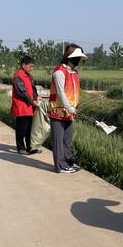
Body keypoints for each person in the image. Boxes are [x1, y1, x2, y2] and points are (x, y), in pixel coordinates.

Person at [48, 43, 87, 173]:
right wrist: (69, 107)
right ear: (70, 57)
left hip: (69, 112)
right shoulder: (59, 72)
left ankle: (68, 163)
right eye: (78, 58)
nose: (79, 61)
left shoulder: (74, 72)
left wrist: (76, 105)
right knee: (58, 140)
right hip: (58, 110)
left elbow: (75, 91)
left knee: (67, 140)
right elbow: (61, 92)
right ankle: (59, 166)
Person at [10, 55, 40, 154]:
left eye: (32, 66)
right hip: (21, 107)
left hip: (29, 106)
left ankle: (30, 147)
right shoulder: (18, 76)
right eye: (30, 66)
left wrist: (36, 97)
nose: (32, 68)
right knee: (21, 129)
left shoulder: (28, 76)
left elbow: (33, 89)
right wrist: (32, 101)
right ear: (23, 65)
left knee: (29, 129)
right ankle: (20, 148)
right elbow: (21, 92)